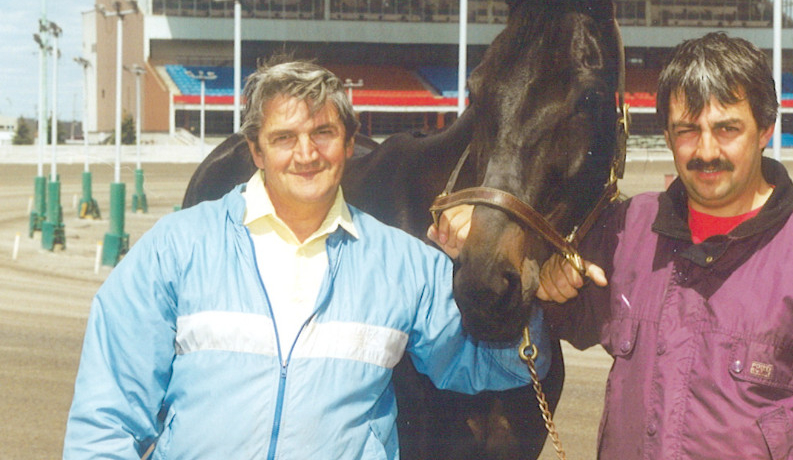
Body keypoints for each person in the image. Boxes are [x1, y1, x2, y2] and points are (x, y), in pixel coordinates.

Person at [433, 33, 793, 459]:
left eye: (727, 129)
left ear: (765, 129)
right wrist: (541, 282)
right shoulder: (624, 230)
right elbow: (549, 317)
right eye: (687, 130)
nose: (705, 150)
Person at [63, 60, 548, 460]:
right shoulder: (175, 248)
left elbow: (493, 365)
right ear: (255, 149)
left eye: (323, 133)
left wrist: (533, 286)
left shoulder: (405, 263)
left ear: (350, 143)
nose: (306, 153)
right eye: (283, 138)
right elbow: (106, 418)